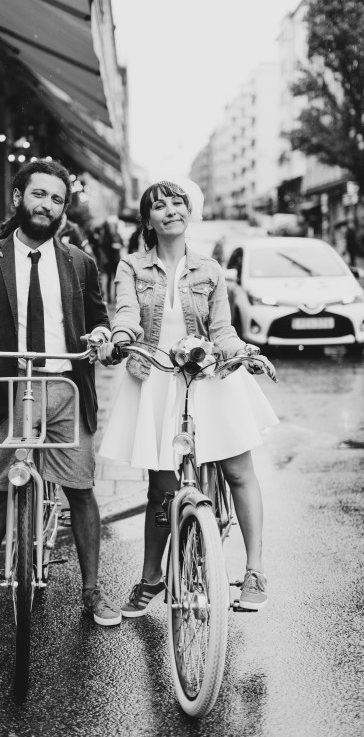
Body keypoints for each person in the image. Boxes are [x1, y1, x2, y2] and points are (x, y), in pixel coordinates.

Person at [0, 158, 121, 627]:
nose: (47, 205)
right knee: (0, 490)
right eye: (39, 194)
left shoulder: (79, 263)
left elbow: (99, 320)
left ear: (64, 210)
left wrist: (101, 338)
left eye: (57, 199)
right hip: (10, 385)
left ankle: (91, 592)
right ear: (18, 196)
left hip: (66, 387)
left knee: (80, 491)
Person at [97, 180, 278, 617]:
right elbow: (125, 312)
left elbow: (223, 331)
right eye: (159, 206)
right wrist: (120, 338)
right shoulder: (132, 267)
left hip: (210, 374)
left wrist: (245, 354)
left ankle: (253, 571)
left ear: (188, 213)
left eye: (178, 203)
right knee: (161, 487)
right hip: (158, 377)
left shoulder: (211, 270)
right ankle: (152, 577)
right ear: (148, 220)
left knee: (238, 469)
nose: (170, 210)